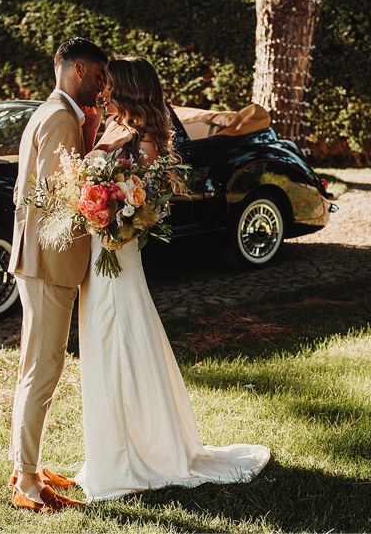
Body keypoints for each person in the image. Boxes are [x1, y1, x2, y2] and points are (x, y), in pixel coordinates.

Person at [74, 56, 271, 501]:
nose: (101, 90)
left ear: (126, 88)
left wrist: (103, 169)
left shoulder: (143, 137)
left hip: (117, 250)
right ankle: (112, 447)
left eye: (108, 84)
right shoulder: (116, 125)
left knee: (120, 336)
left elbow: (135, 196)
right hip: (104, 249)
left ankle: (145, 450)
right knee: (108, 337)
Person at [7, 37, 107, 512]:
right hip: (48, 263)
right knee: (43, 370)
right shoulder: (63, 118)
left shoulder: (47, 113)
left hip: (37, 259)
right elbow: (59, 195)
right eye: (100, 76)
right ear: (80, 70)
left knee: (36, 366)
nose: (103, 86)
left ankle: (26, 463)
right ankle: (26, 481)